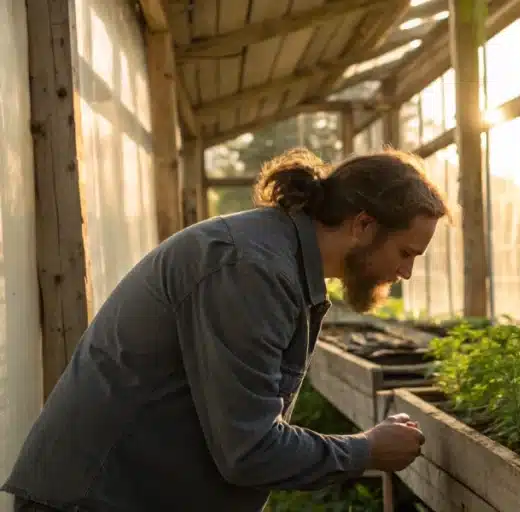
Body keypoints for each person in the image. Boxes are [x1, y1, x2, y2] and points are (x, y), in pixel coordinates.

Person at [2, 147, 448, 511]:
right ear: (363, 225)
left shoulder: (277, 259)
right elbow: (249, 450)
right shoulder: (251, 268)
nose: (405, 272)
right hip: (97, 501)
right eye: (406, 253)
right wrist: (365, 450)